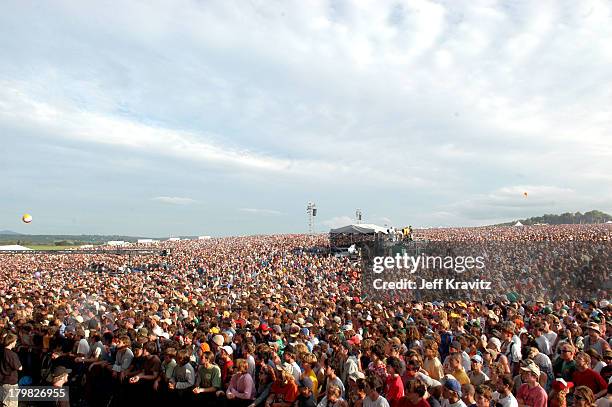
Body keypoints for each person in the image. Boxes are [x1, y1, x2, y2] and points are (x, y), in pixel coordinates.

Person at [0, 333, 22, 407]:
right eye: (15, 341)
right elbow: (19, 367)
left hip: (2, 381)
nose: (16, 343)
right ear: (11, 342)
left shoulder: (1, 351)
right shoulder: (11, 354)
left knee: (4, 401)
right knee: (10, 404)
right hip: (10, 382)